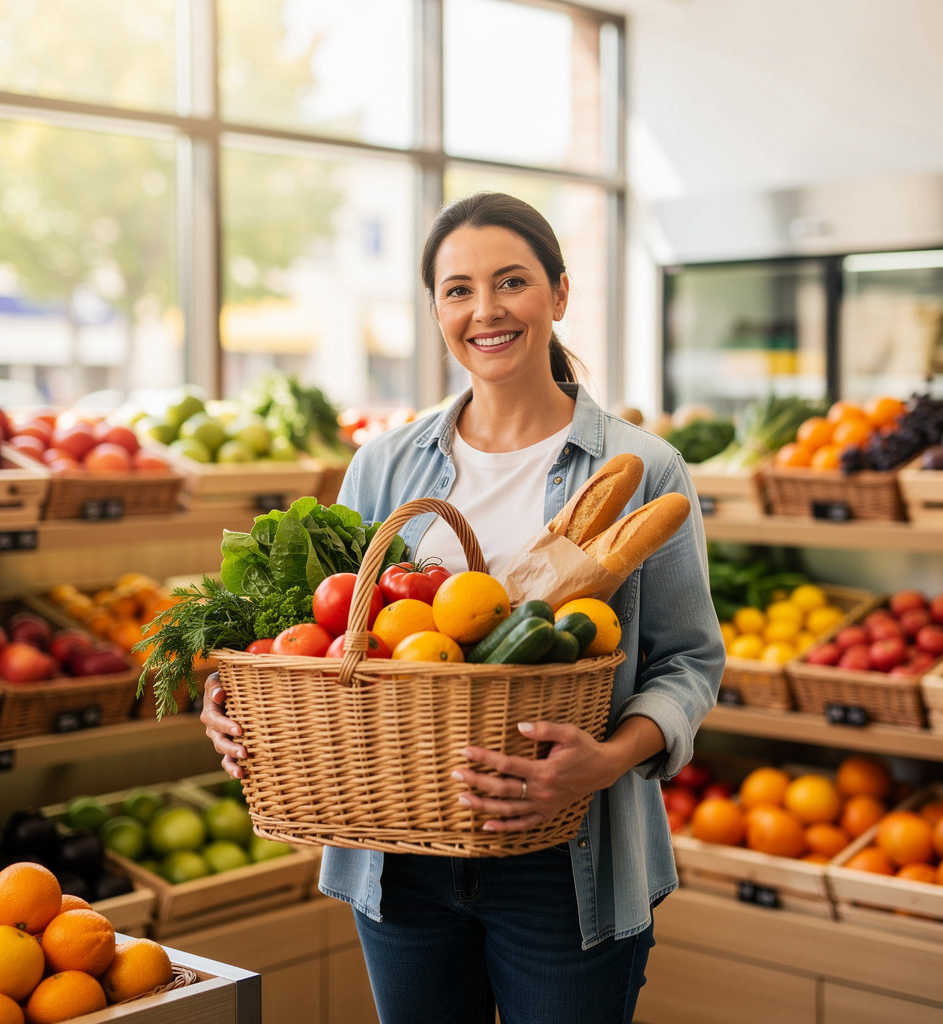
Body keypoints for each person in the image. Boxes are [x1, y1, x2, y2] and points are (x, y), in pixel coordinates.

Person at [201, 191, 725, 1024]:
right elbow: (321, 630)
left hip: (570, 858)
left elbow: (690, 663)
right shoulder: (382, 466)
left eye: (511, 282)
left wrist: (605, 759)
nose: (486, 311)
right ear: (435, 308)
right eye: (458, 290)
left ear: (558, 294)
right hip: (395, 852)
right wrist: (239, 698)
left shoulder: (644, 467)